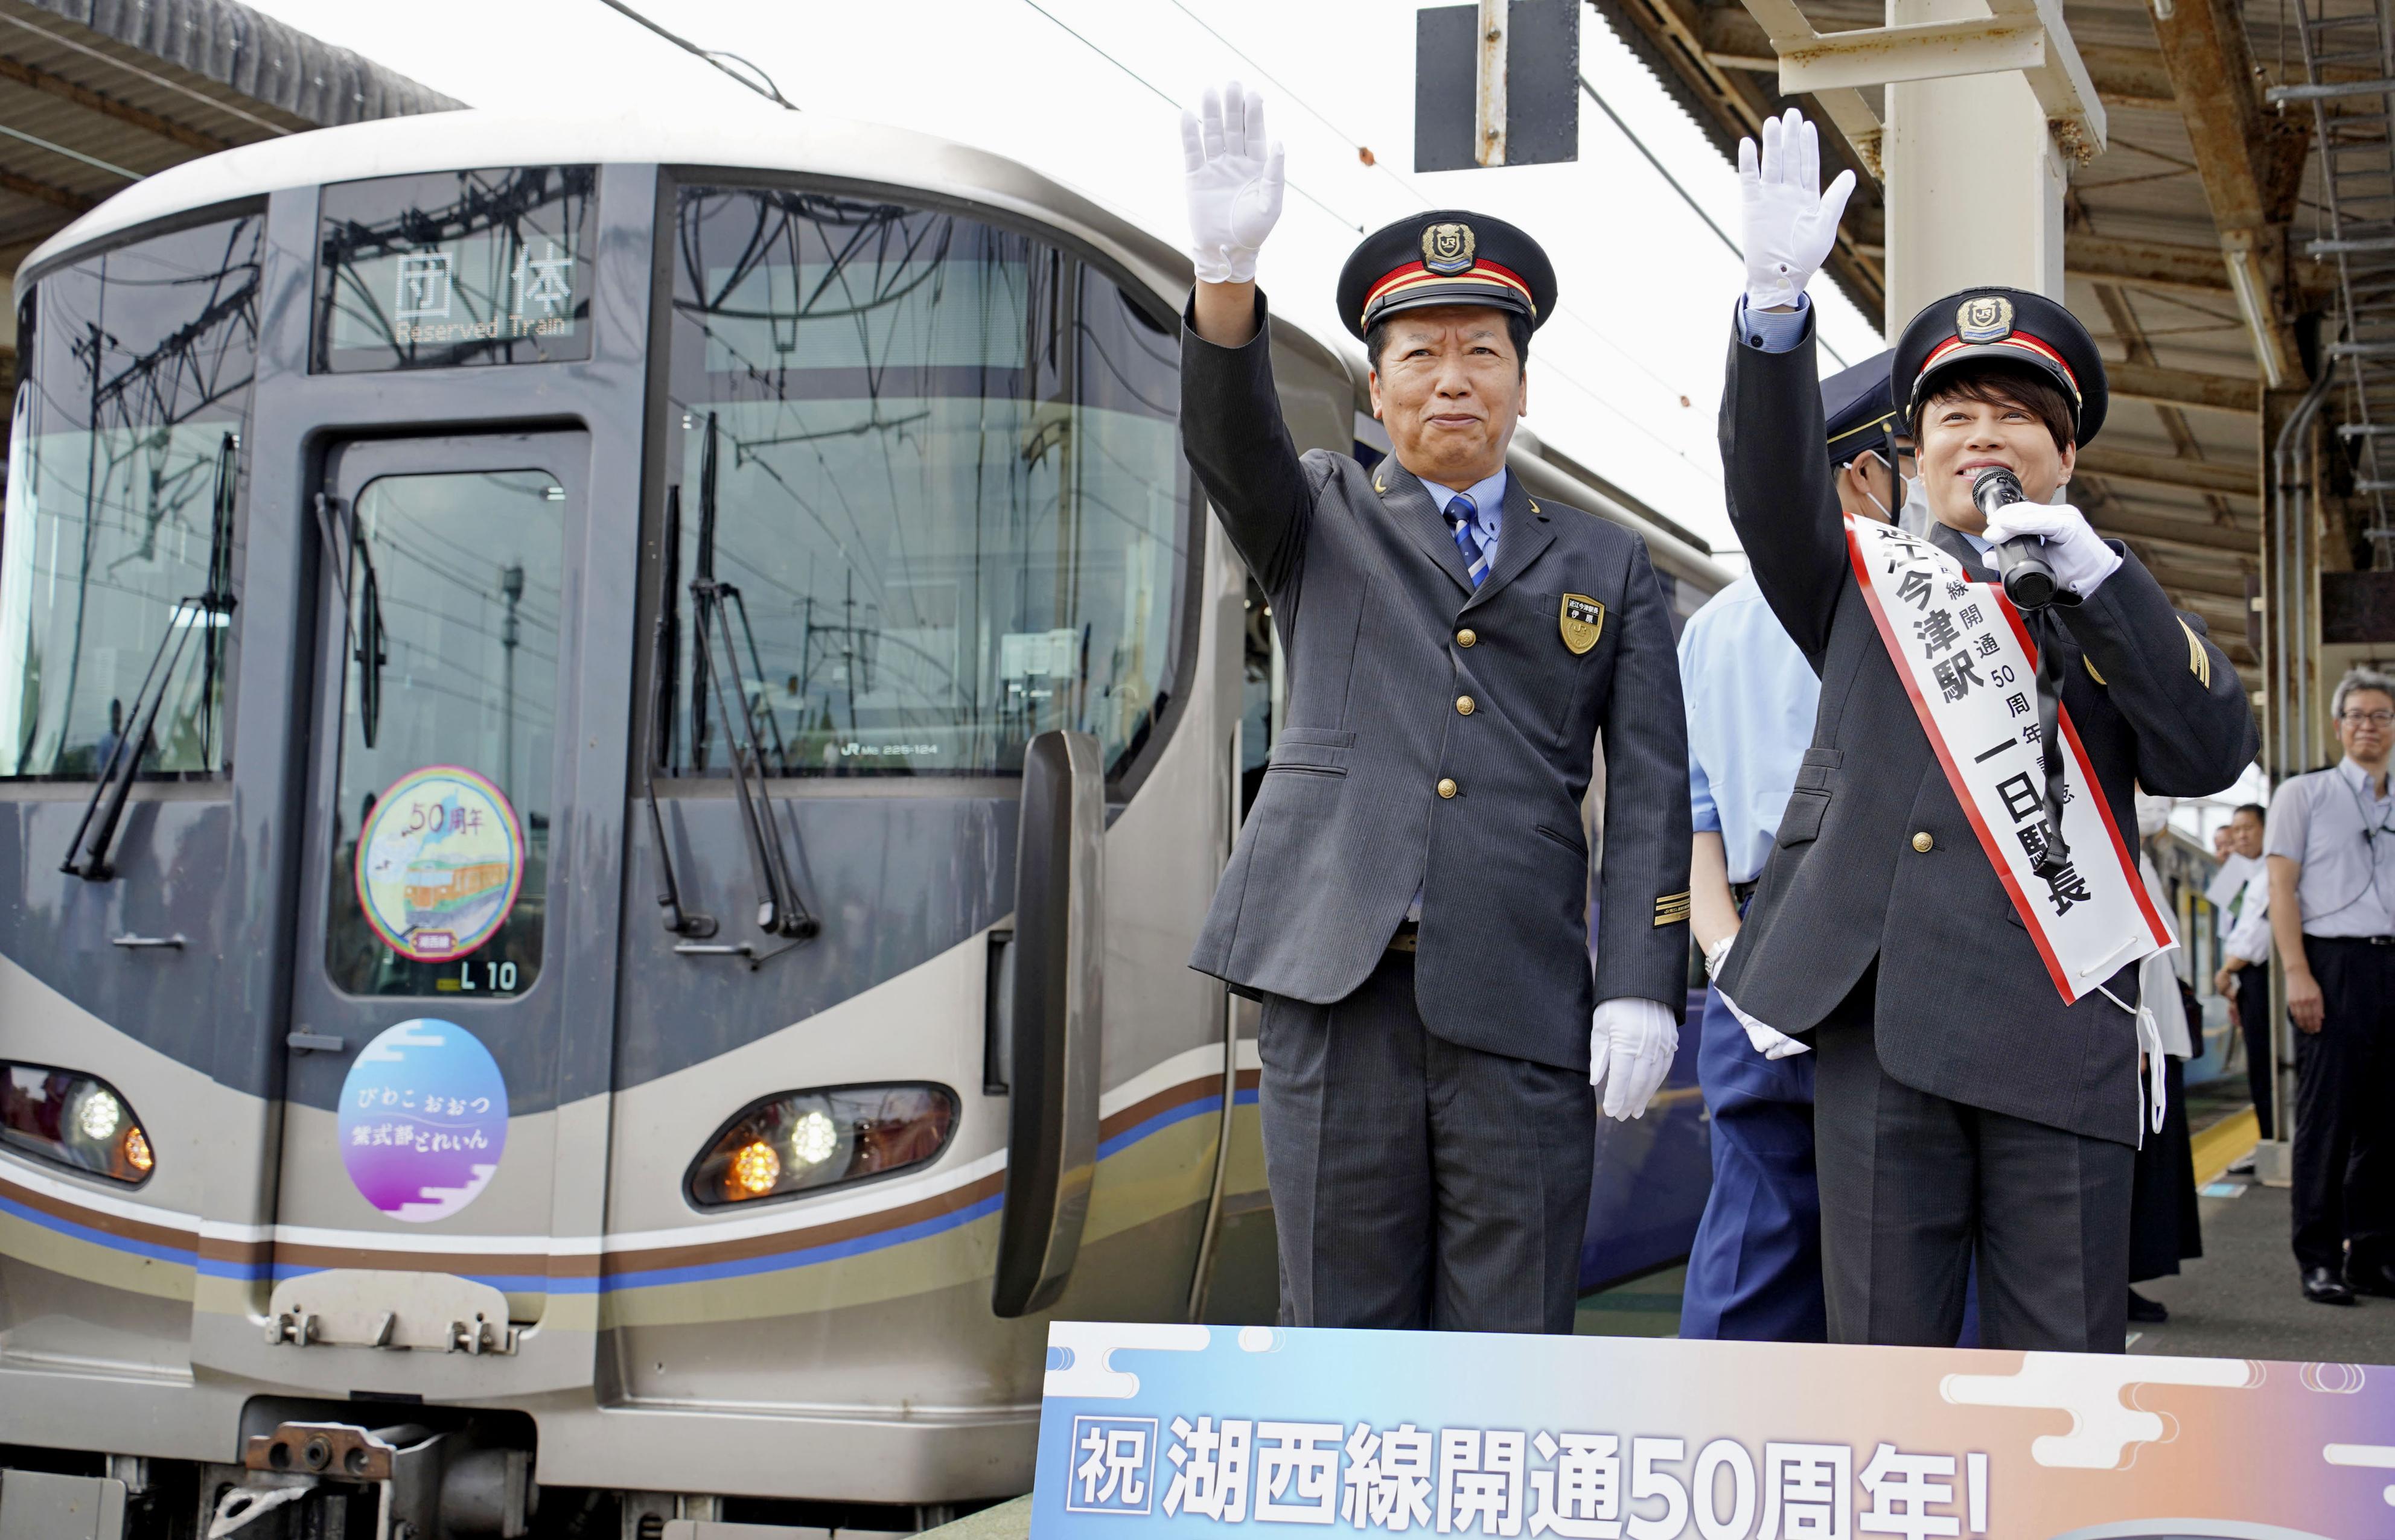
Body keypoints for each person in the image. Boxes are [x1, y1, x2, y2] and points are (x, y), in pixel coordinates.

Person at [1713, 108, 2258, 1351]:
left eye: (2016, 416)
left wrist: (2103, 582)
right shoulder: (1861, 583)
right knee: (1882, 1363)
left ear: (2062, 456)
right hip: (1882, 1017)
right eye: (1952, 419)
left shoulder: (2106, 597)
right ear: (1912, 458)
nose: (1982, 439)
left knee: (2058, 1354)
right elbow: (1765, 483)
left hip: (2055, 1024)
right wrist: (1773, 312)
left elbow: (2207, 747)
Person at [1174, 83, 1692, 1332]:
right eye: (1420, 353)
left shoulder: (1606, 564)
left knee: (1509, 1337)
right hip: (1332, 988)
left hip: (1516, 998)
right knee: (1338, 1330)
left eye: (1481, 352)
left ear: (1520, 382)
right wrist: (1226, 276)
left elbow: (1653, 795)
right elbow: (1226, 440)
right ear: (1373, 385)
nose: (1450, 378)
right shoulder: (1313, 512)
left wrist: (1639, 978)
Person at [1677, 352, 1900, 1344]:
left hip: (1753, 944)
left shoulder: (1709, 627)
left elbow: (1687, 809)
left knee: (1753, 1225)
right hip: (1889, 945)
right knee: (1898, 1236)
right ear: (1862, 476)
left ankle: (1715, 1459)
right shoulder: (1908, 603)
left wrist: (1726, 955)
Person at [2260, 667, 2395, 1306]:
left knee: (2385, 1124)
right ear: (2337, 725)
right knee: (2327, 1118)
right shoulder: (2302, 794)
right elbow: (2279, 889)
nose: (2368, 725)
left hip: (2390, 963)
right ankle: (2317, 1258)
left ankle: (2371, 1253)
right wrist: (2295, 972)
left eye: (2380, 715)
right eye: (2357, 714)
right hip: (2332, 966)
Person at [2210, 803, 2274, 1141]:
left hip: (2264, 974)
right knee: (2260, 1066)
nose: (2240, 837)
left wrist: (2228, 969)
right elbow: (2228, 933)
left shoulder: (2273, 868)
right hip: (2243, 978)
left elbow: (2258, 932)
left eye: (2248, 828)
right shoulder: (2235, 876)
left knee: (2269, 1063)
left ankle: (2274, 1137)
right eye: (2236, 830)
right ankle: (2268, 1135)